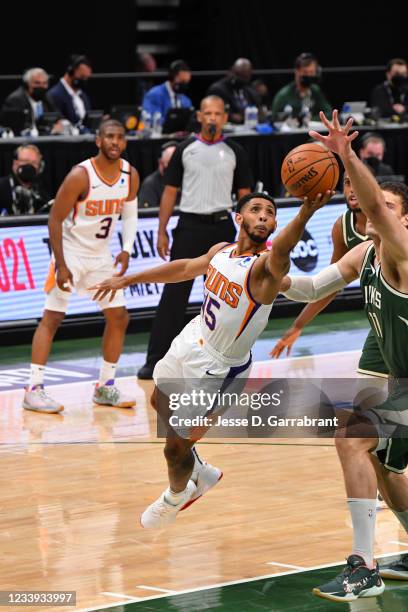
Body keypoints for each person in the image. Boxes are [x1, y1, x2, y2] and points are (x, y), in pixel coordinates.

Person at [91, 189, 333, 528]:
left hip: (219, 368)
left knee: (174, 448)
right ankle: (201, 471)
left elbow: (281, 251)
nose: (263, 215)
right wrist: (130, 279)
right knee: (159, 399)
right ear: (238, 218)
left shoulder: (266, 269)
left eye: (270, 212)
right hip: (193, 338)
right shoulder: (221, 251)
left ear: (276, 224)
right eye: (256, 209)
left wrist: (306, 210)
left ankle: (176, 496)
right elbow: (186, 268)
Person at [280, 109, 408, 601]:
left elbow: (373, 203)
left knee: (354, 438)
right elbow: (312, 284)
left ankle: (363, 566)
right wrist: (261, 277)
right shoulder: (366, 252)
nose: (378, 212)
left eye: (389, 208)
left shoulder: (400, 251)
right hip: (400, 381)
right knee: (382, 465)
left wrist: (347, 154)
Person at [22, 119, 139, 413]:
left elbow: (130, 214)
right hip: (71, 253)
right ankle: (33, 389)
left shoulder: (130, 174)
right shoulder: (81, 175)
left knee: (119, 317)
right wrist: (61, 265)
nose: (115, 142)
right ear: (98, 141)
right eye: (109, 137)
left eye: (120, 137)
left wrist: (126, 249)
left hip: (101, 256)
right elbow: (55, 220)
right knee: (52, 318)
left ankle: (105, 386)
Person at [137, 95, 253, 380]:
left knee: (223, 299)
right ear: (200, 117)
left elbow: (245, 196)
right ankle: (155, 359)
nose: (212, 118)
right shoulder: (184, 148)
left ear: (225, 117)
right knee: (173, 295)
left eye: (218, 113)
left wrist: (246, 234)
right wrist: (162, 229)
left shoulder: (236, 150)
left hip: (222, 228)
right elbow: (169, 191)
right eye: (208, 113)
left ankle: (221, 363)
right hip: (188, 226)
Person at [271, 169, 389, 378]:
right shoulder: (343, 229)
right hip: (383, 325)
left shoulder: (396, 226)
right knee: (368, 398)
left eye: (358, 183)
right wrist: (298, 325)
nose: (352, 190)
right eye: (346, 183)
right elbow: (325, 286)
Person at [271, 52, 331, 123]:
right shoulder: (284, 94)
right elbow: (274, 119)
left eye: (311, 72)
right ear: (297, 71)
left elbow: (329, 113)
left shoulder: (315, 90)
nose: (308, 75)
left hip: (313, 131)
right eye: (305, 72)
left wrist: (310, 119)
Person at [1, 68, 59, 135]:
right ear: (27, 84)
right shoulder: (16, 100)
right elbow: (12, 128)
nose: (42, 86)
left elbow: (58, 117)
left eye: (45, 83)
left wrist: (58, 125)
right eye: (37, 83)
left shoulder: (47, 98)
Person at [207, 58, 261, 124]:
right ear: (231, 71)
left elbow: (258, 109)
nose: (240, 78)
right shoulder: (217, 89)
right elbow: (215, 112)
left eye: (245, 77)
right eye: (238, 74)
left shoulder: (247, 89)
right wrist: (231, 116)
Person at [0, 144, 49, 215]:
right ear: (15, 164)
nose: (29, 166)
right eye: (25, 161)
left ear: (39, 167)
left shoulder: (41, 193)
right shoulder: (2, 187)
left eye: (34, 163)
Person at [47, 55, 92, 127]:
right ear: (71, 72)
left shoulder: (82, 95)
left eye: (86, 78)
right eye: (82, 76)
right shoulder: (55, 95)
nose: (84, 80)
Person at [142, 60, 192, 125]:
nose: (184, 85)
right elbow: (150, 120)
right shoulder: (154, 94)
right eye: (182, 82)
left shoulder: (186, 101)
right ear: (172, 77)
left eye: (186, 83)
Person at [138, 141, 178, 208]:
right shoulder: (150, 184)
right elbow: (147, 215)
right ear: (161, 163)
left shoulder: (187, 179)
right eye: (170, 166)